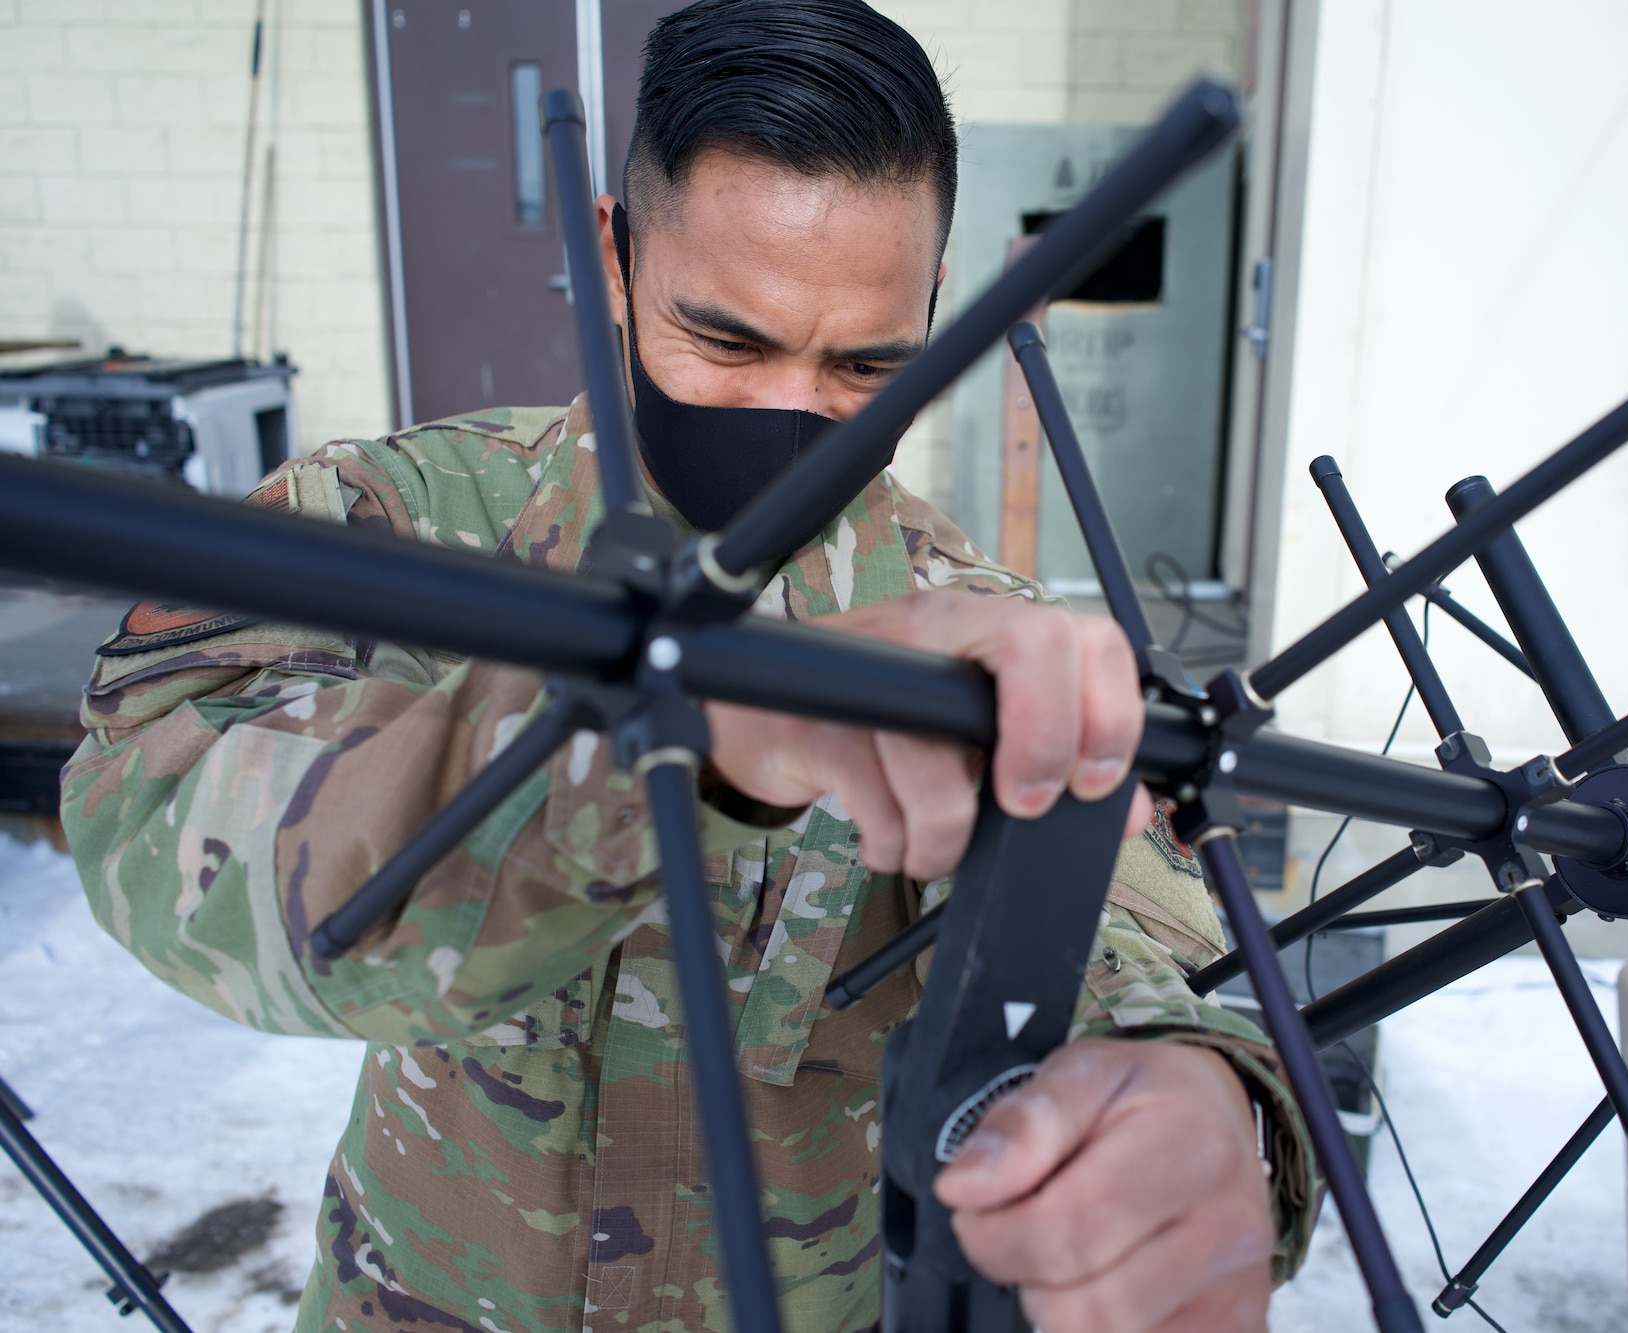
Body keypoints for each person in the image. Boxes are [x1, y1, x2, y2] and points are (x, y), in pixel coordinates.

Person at [60, 3, 1316, 1330]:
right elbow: (154, 808)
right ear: (615, 258)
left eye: (869, 366)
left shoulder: (973, 630)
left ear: (939, 314)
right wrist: (677, 732)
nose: (795, 411)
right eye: (726, 340)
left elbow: (1135, 935)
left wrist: (1200, 1099)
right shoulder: (403, 525)